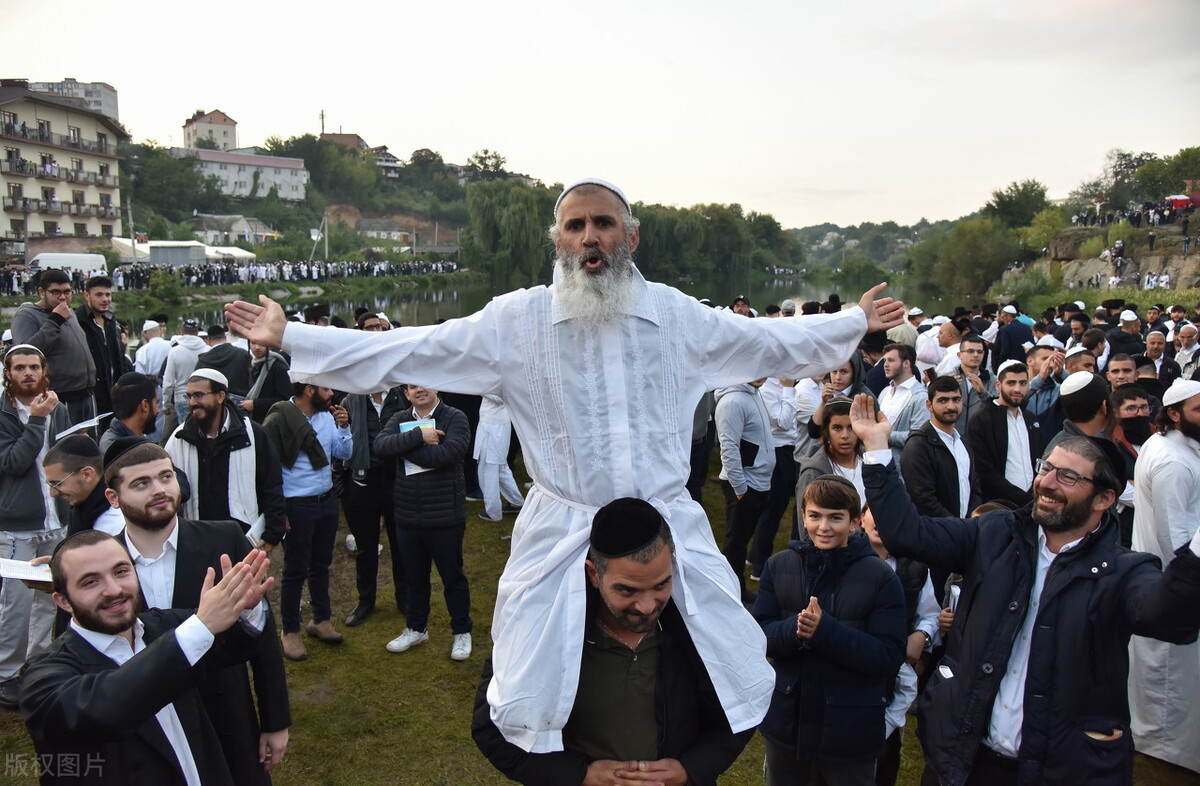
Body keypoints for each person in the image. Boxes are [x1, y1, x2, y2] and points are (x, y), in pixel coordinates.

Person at [225, 177, 906, 750]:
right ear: (558, 241)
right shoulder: (515, 322)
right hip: (562, 532)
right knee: (537, 679)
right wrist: (295, 338)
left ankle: (678, 751)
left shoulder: (678, 317)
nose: (590, 237)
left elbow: (768, 341)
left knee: (698, 665)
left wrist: (851, 323)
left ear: (631, 237)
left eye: (603, 223)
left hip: (666, 530)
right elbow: (410, 348)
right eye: (575, 225)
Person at [849, 394, 1200, 786]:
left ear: (1104, 499)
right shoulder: (993, 535)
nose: (1046, 483)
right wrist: (876, 447)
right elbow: (906, 532)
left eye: (1068, 477)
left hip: (1060, 771)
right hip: (963, 763)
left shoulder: (1122, 572)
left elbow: (1173, 618)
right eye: (1046, 468)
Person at [472, 497, 753, 785]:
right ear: (594, 574)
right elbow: (491, 729)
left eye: (661, 585)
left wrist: (690, 769)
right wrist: (580, 775)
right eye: (627, 590)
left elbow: (741, 707)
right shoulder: (545, 632)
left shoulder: (698, 631)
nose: (647, 606)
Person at [19, 530, 273, 786]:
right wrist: (201, 626)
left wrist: (244, 607)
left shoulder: (162, 626)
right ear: (63, 601)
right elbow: (103, 709)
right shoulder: (42, 677)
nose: (113, 589)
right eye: (91, 582)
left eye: (121, 572)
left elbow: (233, 644)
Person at [103, 440, 291, 784]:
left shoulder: (224, 539)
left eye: (166, 476)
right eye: (141, 483)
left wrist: (274, 720)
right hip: (145, 728)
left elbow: (263, 636)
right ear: (113, 498)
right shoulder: (100, 565)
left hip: (226, 715)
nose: (159, 490)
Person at [753, 475, 906, 785]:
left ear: (854, 522)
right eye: (815, 516)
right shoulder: (778, 566)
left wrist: (825, 632)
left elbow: (887, 655)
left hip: (850, 731)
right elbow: (759, 637)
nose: (824, 527)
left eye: (835, 517)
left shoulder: (881, 577)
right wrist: (795, 629)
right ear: (803, 516)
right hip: (788, 723)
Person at [1128, 378, 1200, 773]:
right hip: (1174, 587)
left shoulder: (1173, 446)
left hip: (1166, 585)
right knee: (1168, 687)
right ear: (1174, 413)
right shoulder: (1173, 460)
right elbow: (1177, 542)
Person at [375, 384, 473, 660]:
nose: (419, 390)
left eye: (423, 384)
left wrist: (404, 448)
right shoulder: (399, 418)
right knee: (414, 579)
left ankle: (462, 631)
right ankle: (417, 628)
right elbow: (381, 446)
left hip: (445, 515)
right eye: (411, 386)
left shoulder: (454, 417)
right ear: (406, 394)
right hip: (408, 515)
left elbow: (448, 454)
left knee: (452, 578)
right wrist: (419, 436)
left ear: (436, 387)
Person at [262, 382, 353, 661]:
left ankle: (320, 620)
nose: (332, 394)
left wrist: (344, 428)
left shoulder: (327, 417)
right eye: (326, 389)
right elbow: (268, 470)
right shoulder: (279, 419)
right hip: (296, 505)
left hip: (326, 501)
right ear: (310, 389)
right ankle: (290, 631)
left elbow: (343, 454)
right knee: (295, 570)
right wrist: (279, 512)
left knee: (321, 565)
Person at [0, 345, 69, 709]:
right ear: (7, 373)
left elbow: (66, 455)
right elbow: (13, 462)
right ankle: (6, 672)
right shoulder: (4, 413)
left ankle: (37, 663)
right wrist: (38, 421)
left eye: (34, 367)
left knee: (49, 599)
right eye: (19, 368)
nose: (27, 373)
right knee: (16, 603)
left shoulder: (59, 407)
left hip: (56, 517)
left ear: (44, 371)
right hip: (17, 524)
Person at [164, 369, 285, 554]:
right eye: (189, 396)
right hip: (196, 539)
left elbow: (271, 483)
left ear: (220, 396)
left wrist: (273, 532)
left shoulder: (252, 434)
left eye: (198, 395)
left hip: (241, 538)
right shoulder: (179, 439)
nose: (192, 402)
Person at [339, 383, 408, 627]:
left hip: (398, 480)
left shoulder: (402, 396)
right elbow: (341, 443)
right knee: (366, 547)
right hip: (362, 481)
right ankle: (366, 601)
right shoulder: (351, 400)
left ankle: (405, 598)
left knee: (401, 545)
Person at [9, 269, 96, 425]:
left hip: (86, 393)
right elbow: (25, 354)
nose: (62, 297)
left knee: (89, 439)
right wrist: (55, 320)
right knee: (66, 440)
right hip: (60, 396)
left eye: (67, 292)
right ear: (42, 292)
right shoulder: (27, 315)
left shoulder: (69, 311)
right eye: (56, 292)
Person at [715, 377, 774, 603]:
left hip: (757, 482)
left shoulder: (753, 394)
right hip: (744, 486)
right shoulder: (733, 401)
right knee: (736, 544)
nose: (761, 374)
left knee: (741, 541)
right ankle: (732, 593)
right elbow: (728, 447)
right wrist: (740, 489)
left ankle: (735, 589)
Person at [966, 361, 1036, 507]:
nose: (1018, 389)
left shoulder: (1030, 419)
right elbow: (983, 470)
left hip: (1032, 504)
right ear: (998, 385)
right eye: (1011, 383)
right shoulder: (981, 420)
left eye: (1023, 383)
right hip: (999, 506)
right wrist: (1021, 498)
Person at [42, 435, 124, 537]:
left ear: (87, 474)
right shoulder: (81, 514)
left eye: (57, 484)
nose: (52, 493)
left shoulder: (118, 523)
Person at [75, 275, 127, 419]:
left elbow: (118, 359)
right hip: (89, 396)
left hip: (114, 395)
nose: (105, 299)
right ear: (87, 295)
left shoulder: (111, 321)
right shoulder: (77, 321)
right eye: (99, 295)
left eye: (108, 295)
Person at [474, 393, 525, 523]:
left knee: (488, 470)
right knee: (500, 467)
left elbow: (500, 397)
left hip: (494, 425)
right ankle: (517, 502)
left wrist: (480, 388)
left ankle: (493, 512)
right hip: (494, 422)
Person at [876, 343, 930, 464]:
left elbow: (919, 436)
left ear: (906, 363)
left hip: (905, 466)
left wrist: (883, 435)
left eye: (891, 360)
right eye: (884, 360)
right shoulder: (885, 392)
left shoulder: (921, 396)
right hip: (880, 462)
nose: (885, 365)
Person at [99, 371, 159, 453]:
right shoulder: (118, 451)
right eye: (156, 403)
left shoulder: (130, 441)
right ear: (145, 405)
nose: (158, 410)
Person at [241, 340, 291, 424]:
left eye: (261, 343)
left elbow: (284, 399)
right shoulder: (255, 365)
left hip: (273, 421)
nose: (257, 347)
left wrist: (255, 404)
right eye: (253, 343)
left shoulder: (278, 367)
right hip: (256, 420)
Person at [195, 325, 252, 397]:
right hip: (242, 400)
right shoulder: (242, 354)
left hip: (214, 400)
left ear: (208, 340)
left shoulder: (203, 361)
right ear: (225, 337)